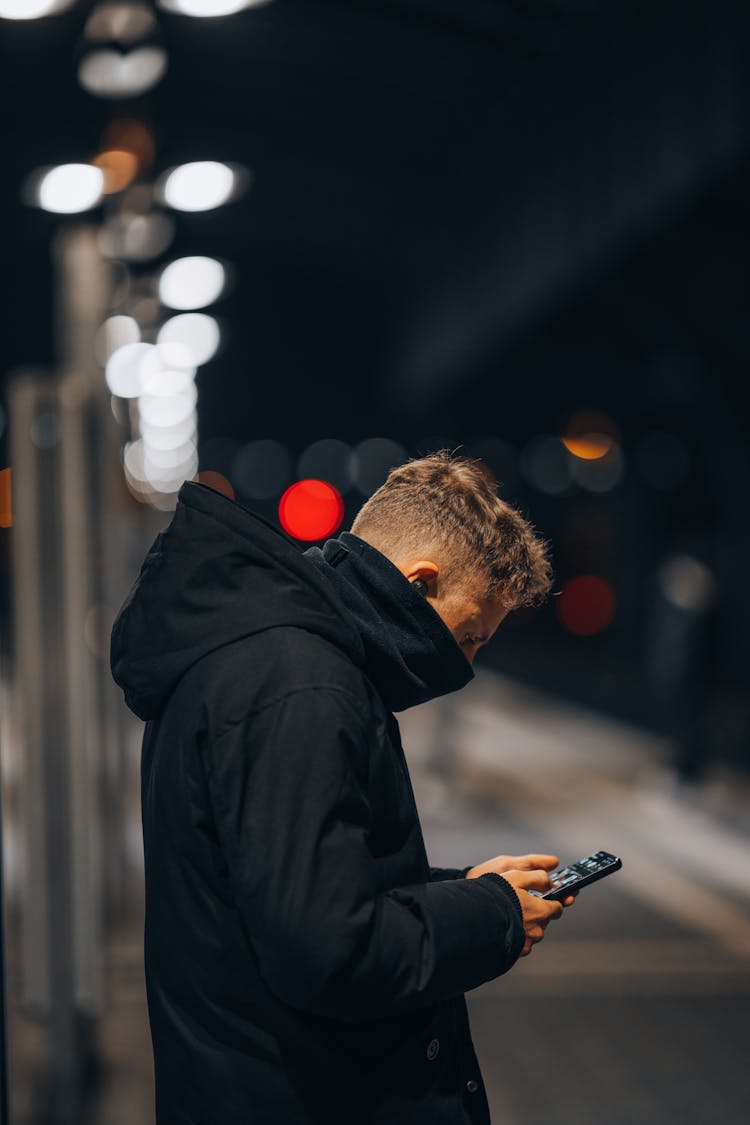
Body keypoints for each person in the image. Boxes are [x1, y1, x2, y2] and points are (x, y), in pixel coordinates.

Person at [110, 450, 575, 1125]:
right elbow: (327, 951)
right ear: (419, 583)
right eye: (470, 634)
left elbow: (298, 882)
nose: (466, 664)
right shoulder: (301, 685)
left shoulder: (265, 651)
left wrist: (466, 886)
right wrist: (493, 917)